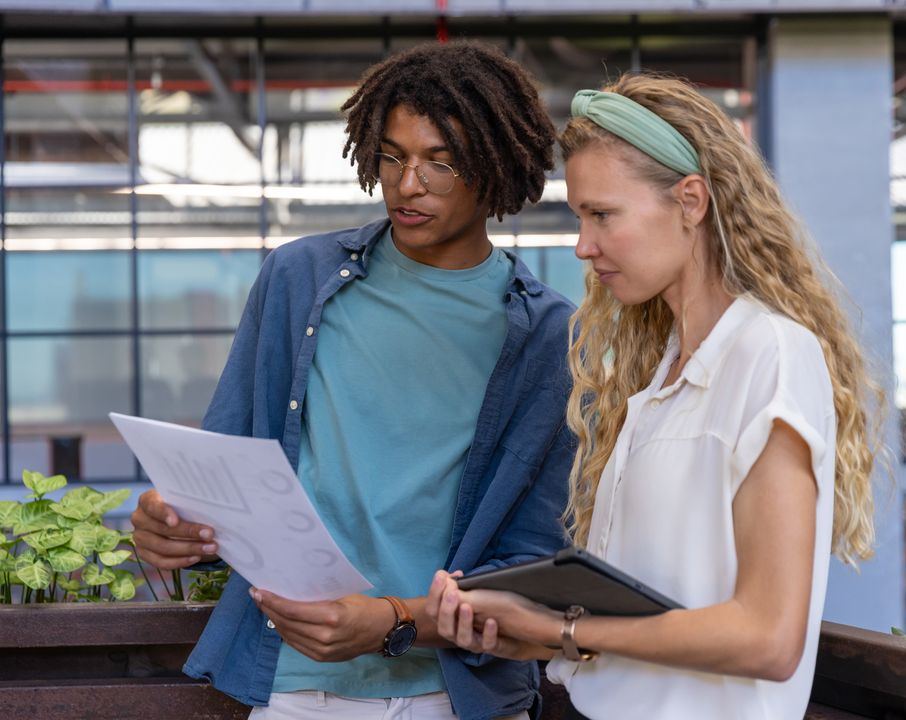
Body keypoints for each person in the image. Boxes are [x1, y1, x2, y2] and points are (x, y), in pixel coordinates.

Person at [129, 41, 577, 720]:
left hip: (457, 695)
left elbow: (534, 562)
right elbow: (228, 473)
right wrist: (177, 526)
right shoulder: (297, 281)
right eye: (393, 156)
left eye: (440, 162)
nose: (407, 183)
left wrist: (396, 621)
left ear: (494, 168)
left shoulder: (550, 337)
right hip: (294, 684)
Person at [428, 73, 888, 720]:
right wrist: (528, 628)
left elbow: (769, 638)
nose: (583, 245)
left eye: (602, 214)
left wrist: (562, 629)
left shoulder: (770, 355)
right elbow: (656, 618)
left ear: (690, 201)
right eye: (580, 217)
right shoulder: (657, 382)